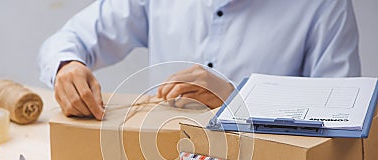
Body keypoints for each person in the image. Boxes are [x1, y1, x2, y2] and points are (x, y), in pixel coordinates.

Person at [38, 0, 360, 120]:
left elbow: (344, 116)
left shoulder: (324, 6)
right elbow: (71, 39)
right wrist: (68, 66)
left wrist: (238, 101)